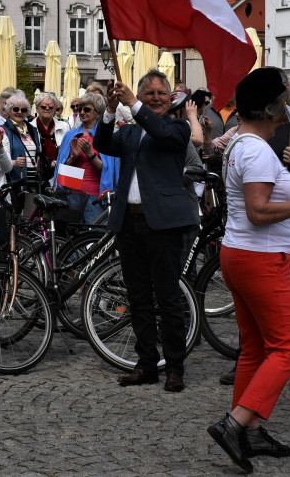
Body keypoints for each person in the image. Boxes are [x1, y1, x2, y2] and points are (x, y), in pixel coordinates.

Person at [207, 67, 290, 472]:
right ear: (271, 106)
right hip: (260, 258)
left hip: (241, 254)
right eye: (287, 97)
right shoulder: (257, 149)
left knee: (256, 348)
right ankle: (235, 423)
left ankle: (250, 430)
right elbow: (260, 212)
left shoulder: (243, 143)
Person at [93, 70, 196, 392]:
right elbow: (101, 143)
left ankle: (175, 367)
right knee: (137, 297)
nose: (155, 97)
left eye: (160, 93)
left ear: (170, 98)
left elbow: (164, 135)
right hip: (130, 221)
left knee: (167, 298)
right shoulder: (129, 131)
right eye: (148, 93)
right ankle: (147, 364)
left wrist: (134, 104)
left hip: (164, 223)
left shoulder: (178, 127)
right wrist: (110, 109)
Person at [54, 93, 119, 225]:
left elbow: (108, 172)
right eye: (80, 109)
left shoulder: (106, 136)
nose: (82, 112)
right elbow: (62, 171)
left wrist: (90, 155)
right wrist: (74, 157)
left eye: (87, 109)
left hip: (95, 196)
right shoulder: (70, 135)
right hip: (72, 195)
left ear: (98, 113)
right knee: (72, 239)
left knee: (94, 237)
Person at [2, 93, 39, 183]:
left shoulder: (32, 130)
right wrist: (14, 162)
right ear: (9, 110)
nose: (19, 112)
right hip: (16, 180)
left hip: (33, 179)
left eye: (23, 110)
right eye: (15, 109)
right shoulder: (3, 130)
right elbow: (0, 158)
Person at [33, 93, 63, 184]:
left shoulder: (64, 127)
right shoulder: (30, 127)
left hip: (59, 174)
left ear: (54, 109)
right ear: (37, 109)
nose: (47, 108)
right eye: (43, 106)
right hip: (37, 175)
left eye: (51, 107)